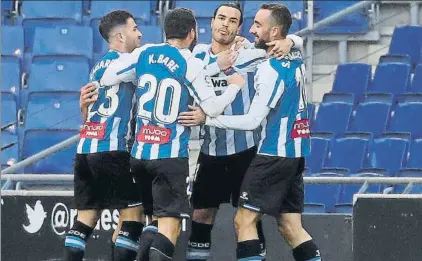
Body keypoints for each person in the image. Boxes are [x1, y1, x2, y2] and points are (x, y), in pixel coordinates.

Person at [100, 7, 247, 261]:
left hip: (139, 155)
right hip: (169, 157)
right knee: (170, 227)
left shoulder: (145, 52)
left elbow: (108, 76)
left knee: (151, 222)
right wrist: (233, 89)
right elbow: (211, 107)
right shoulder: (190, 63)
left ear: (165, 31)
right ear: (192, 33)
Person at [177, 3, 303, 261]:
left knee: (249, 218)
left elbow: (292, 42)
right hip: (210, 150)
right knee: (201, 214)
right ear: (210, 23)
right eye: (221, 18)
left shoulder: (250, 52)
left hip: (246, 150)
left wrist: (290, 40)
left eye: (233, 21)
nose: (226, 24)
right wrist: (215, 63)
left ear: (239, 27)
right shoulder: (197, 56)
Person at [201, 4, 322, 261]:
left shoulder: (269, 69)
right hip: (296, 152)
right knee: (290, 226)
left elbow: (253, 121)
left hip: (273, 153)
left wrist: (208, 119)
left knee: (243, 221)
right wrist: (290, 40)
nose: (251, 30)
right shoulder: (295, 57)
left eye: (257, 25)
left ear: (274, 30)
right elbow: (297, 42)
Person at [65, 11, 146, 261]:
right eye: (134, 29)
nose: (140, 33)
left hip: (86, 149)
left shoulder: (97, 67)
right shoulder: (127, 63)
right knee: (134, 216)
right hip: (113, 149)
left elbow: (90, 113)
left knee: (85, 219)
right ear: (120, 35)